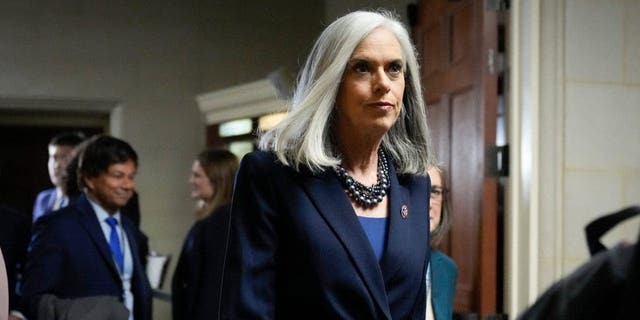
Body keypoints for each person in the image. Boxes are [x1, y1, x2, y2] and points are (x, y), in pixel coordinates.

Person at [220, 9, 436, 319]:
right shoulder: (271, 175)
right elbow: (247, 309)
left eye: (394, 69)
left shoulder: (415, 184)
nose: (382, 83)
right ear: (331, 82)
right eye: (362, 68)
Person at [20, 135, 152, 320]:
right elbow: (32, 299)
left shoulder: (130, 231)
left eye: (131, 176)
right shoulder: (57, 227)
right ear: (90, 178)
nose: (128, 185)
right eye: (118, 176)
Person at [172, 149, 238, 320]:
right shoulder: (211, 219)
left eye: (197, 175)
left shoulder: (222, 222)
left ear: (218, 180)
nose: (191, 181)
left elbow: (213, 287)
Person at [32, 131, 85, 223]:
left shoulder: (87, 200)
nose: (56, 165)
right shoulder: (43, 199)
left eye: (64, 158)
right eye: (53, 157)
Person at [426, 166, 458, 320]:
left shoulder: (447, 268)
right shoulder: (383, 261)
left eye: (435, 192)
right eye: (421, 190)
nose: (429, 204)